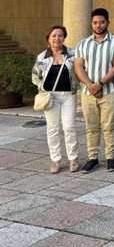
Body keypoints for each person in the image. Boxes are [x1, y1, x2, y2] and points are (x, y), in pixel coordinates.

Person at [74, 8, 114, 173]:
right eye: (95, 22)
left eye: (102, 22)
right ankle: (93, 158)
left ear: (108, 22)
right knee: (91, 127)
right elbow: (78, 66)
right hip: (88, 93)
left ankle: (111, 157)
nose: (98, 25)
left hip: (109, 91)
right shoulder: (83, 43)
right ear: (92, 24)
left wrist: (100, 84)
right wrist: (90, 85)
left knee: (109, 126)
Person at [31, 25, 80, 174]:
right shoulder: (42, 57)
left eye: (60, 35)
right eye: (54, 35)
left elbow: (80, 72)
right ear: (48, 38)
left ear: (64, 37)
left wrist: (77, 86)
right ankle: (56, 160)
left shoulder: (72, 54)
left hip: (68, 96)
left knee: (69, 127)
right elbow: (35, 76)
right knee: (52, 129)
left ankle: (73, 158)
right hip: (51, 98)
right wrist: (42, 88)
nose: (57, 38)